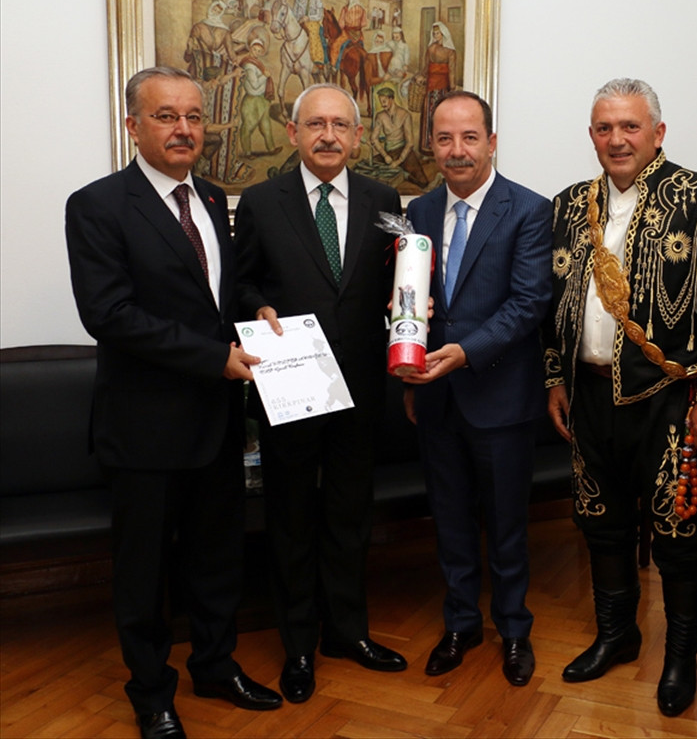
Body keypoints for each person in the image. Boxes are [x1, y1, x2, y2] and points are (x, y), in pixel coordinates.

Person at [65, 66, 282, 739]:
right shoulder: (97, 205)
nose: (184, 128)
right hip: (145, 428)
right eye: (166, 116)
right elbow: (109, 315)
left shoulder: (213, 198)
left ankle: (215, 666)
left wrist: (255, 307)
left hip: (216, 422)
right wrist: (213, 358)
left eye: (193, 115)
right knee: (145, 573)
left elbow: (220, 293)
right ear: (133, 125)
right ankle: (152, 693)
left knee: (218, 560)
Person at [543, 78, 697, 717]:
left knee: (678, 532)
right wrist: (555, 378)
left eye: (630, 126)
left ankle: (681, 659)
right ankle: (617, 635)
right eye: (605, 127)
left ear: (658, 132)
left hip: (670, 398)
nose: (617, 139)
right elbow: (553, 305)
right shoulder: (568, 205)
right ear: (591, 135)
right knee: (601, 523)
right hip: (588, 393)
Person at [234, 83, 406, 706]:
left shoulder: (384, 200)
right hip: (291, 384)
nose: (328, 136)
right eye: (315, 124)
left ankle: (348, 632)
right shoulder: (261, 202)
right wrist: (258, 306)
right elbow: (239, 283)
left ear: (357, 137)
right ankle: (299, 645)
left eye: (339, 125)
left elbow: (399, 278)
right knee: (290, 517)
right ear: (293, 133)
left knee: (350, 513)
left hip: (361, 386)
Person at [402, 91, 553, 687]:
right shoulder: (418, 211)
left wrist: (466, 352)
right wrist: (410, 369)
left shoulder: (529, 210)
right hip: (435, 397)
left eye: (469, 137)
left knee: (507, 525)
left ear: (491, 142)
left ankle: (514, 629)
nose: (457, 150)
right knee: (451, 520)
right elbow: (411, 300)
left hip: (501, 397)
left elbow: (529, 303)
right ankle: (461, 624)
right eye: (444, 138)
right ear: (432, 145)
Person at [418, 22, 457, 153]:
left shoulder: (450, 51)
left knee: (441, 114)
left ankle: (441, 147)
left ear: (443, 34)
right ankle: (428, 146)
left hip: (443, 85)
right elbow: (426, 67)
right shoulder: (431, 48)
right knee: (430, 114)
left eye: (438, 33)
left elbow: (451, 70)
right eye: (434, 33)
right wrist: (421, 76)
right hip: (431, 84)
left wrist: (452, 86)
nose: (436, 35)